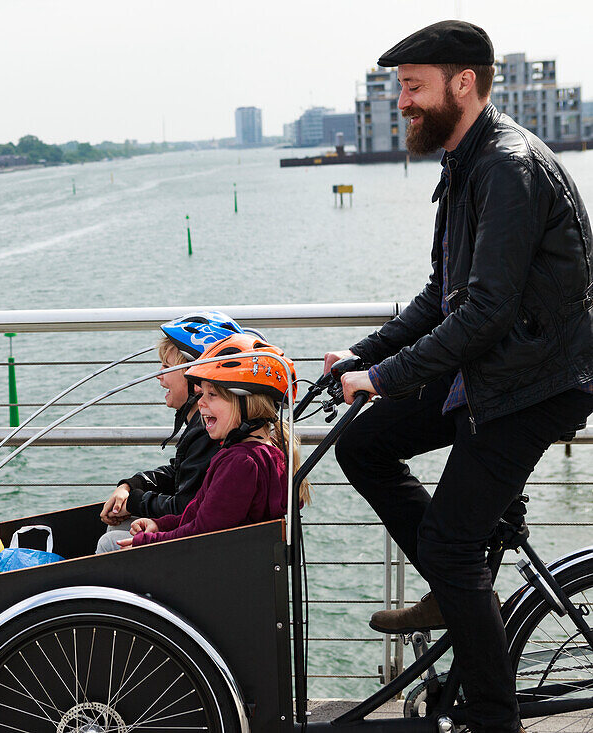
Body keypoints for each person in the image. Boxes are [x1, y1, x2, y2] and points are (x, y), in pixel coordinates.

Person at [326, 20, 593, 733]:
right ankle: (456, 588)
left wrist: (384, 376)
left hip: (535, 383)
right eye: (400, 89)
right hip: (491, 371)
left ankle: (493, 717)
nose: (404, 102)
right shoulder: (466, 161)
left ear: (463, 83)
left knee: (448, 541)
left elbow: (483, 312)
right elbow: (439, 293)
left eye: (413, 87)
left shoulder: (506, 166)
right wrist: (364, 356)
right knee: (364, 446)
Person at [108, 333, 310, 549]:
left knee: (109, 542)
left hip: (210, 565)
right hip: (233, 559)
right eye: (202, 393)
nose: (201, 402)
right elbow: (198, 514)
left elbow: (202, 533)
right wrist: (159, 524)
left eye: (212, 394)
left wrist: (147, 540)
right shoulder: (269, 451)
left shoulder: (240, 462)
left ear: (245, 402)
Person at [95, 312, 241, 554]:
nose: (159, 377)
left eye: (166, 367)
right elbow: (180, 473)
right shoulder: (204, 424)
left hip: (201, 546)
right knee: (117, 529)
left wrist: (133, 502)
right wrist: (133, 485)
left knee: (110, 542)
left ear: (196, 375)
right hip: (196, 533)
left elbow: (186, 505)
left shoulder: (209, 432)